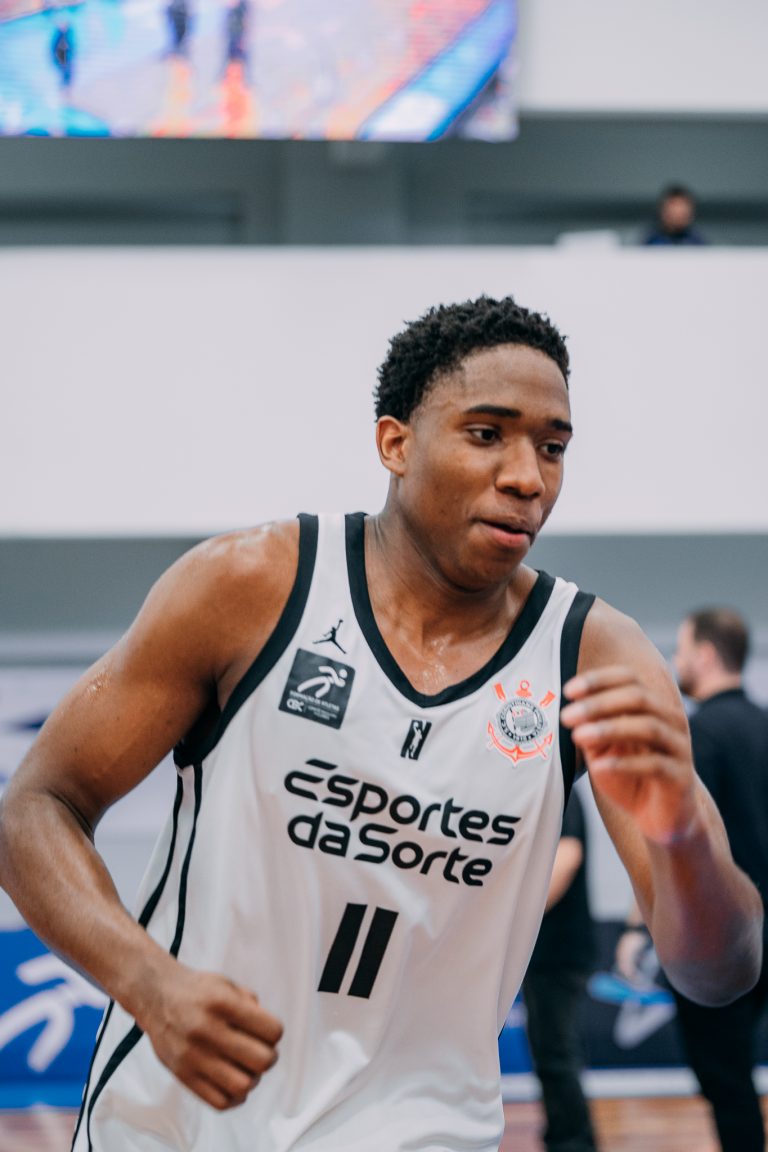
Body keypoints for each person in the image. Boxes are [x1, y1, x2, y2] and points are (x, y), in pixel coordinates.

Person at [0, 297, 761, 1152]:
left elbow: (719, 972)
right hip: (172, 1127)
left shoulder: (595, 656)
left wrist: (683, 837)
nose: (528, 477)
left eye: (553, 448)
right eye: (487, 434)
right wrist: (148, 983)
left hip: (424, 1132)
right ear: (395, 444)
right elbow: (33, 808)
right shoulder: (249, 586)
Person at [616, 608, 768, 1152]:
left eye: (680, 651)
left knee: (725, 1079)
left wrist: (638, 927)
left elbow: (672, 841)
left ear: (705, 655)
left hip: (726, 933)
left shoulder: (698, 734)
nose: (676, 661)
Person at [523, 786, 600, 1152]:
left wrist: (514, 921)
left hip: (559, 948)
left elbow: (567, 858)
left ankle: (573, 1142)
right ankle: (564, 1136)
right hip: (545, 949)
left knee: (555, 1054)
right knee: (549, 1052)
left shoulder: (557, 786)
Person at [643, 183, 708, 246]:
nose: (678, 214)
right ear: (663, 212)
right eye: (673, 208)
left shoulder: (699, 244)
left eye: (682, 211)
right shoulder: (651, 243)